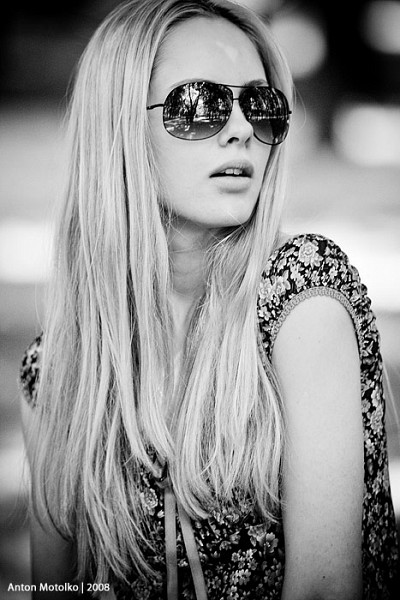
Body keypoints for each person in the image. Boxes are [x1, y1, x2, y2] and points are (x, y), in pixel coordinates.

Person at [19, 0, 399, 598]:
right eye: (200, 105)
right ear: (120, 128)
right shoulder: (57, 372)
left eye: (261, 105)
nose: (242, 128)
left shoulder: (302, 298)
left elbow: (324, 589)